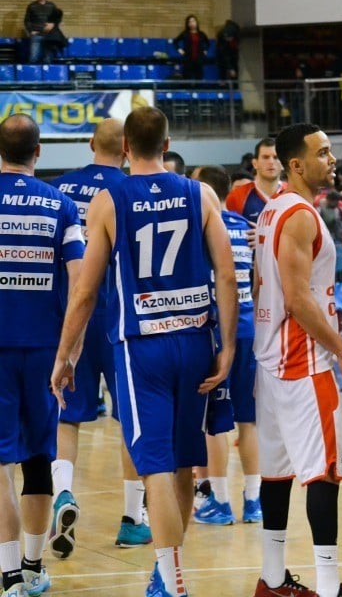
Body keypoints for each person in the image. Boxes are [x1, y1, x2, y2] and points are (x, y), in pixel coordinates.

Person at [51, 107, 238, 597]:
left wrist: (66, 353)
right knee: (181, 461)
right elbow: (227, 273)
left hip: (142, 348)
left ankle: (173, 580)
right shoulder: (202, 194)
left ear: (127, 148)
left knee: (154, 462)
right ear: (169, 142)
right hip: (196, 341)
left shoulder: (109, 201)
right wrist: (229, 345)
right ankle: (167, 570)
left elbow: (85, 292)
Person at [252, 123, 342, 597]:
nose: (332, 159)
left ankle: (273, 579)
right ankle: (329, 587)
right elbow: (298, 299)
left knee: (276, 473)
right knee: (323, 472)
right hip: (303, 359)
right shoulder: (298, 216)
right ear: (295, 165)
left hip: (269, 359)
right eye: (322, 153)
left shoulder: (270, 210)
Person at [50, 119, 152, 556]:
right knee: (129, 417)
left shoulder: (58, 191)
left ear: (90, 144)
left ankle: (62, 494)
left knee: (66, 415)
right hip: (121, 318)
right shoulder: (132, 192)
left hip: (71, 316)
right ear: (128, 148)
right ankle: (132, 519)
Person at [0, 114, 83, 597]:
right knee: (37, 460)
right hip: (45, 354)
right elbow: (79, 283)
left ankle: (8, 572)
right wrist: (69, 352)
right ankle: (33, 568)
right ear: (39, 153)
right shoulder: (61, 206)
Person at [190, 165, 262, 528]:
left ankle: (218, 501)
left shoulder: (201, 226)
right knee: (249, 421)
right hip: (250, 327)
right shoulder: (245, 228)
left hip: (218, 329)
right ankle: (254, 500)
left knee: (214, 423)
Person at [225, 138, 284, 224]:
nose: (271, 162)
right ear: (255, 163)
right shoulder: (235, 197)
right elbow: (231, 231)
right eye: (265, 157)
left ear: (283, 163)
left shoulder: (295, 193)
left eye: (276, 157)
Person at [24, 0, 65, 64]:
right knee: (33, 58)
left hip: (49, 36)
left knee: (47, 59)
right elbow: (27, 21)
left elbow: (57, 19)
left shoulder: (52, 5)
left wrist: (53, 25)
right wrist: (31, 31)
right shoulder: (31, 6)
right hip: (36, 36)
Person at [174, 15, 210, 80]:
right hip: (188, 60)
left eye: (193, 21)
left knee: (199, 78)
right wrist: (179, 49)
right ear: (187, 24)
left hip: (199, 60)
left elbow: (208, 43)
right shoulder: (185, 33)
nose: (192, 23)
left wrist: (205, 50)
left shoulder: (201, 34)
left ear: (196, 22)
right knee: (187, 78)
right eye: (190, 22)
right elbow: (175, 42)